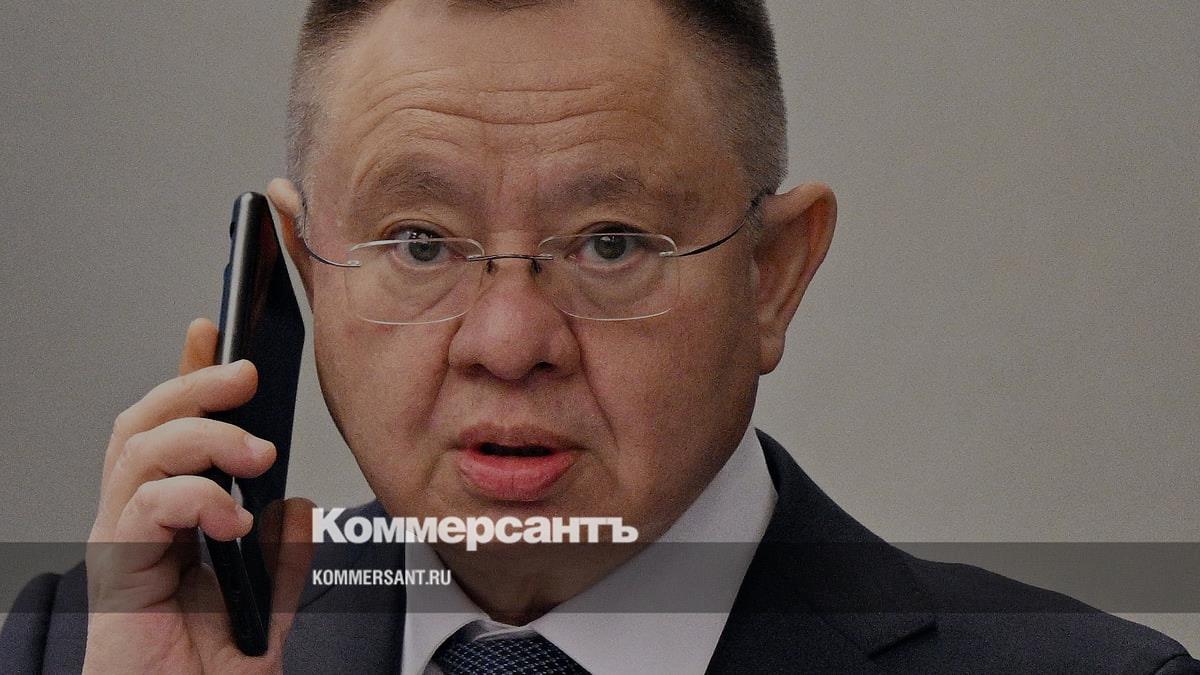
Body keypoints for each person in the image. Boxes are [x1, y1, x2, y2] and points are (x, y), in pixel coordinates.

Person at [1, 1, 1196, 673]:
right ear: (305, 274)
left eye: (611, 243)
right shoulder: (80, 647)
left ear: (773, 277)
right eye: (419, 243)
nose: (509, 340)